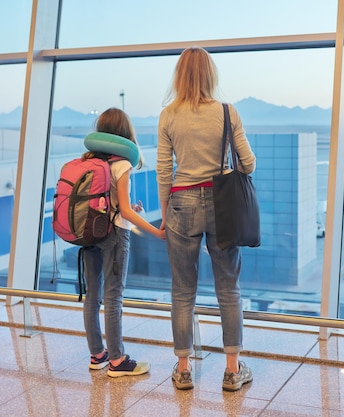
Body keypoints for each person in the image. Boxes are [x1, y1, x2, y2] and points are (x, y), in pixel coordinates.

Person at [157, 47, 256, 391]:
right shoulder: (227, 112)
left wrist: (166, 213)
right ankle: (232, 371)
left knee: (183, 290)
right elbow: (249, 163)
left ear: (179, 76)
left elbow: (163, 170)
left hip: (180, 204)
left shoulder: (168, 115)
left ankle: (183, 369)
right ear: (211, 75)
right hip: (220, 203)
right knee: (228, 288)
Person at [83, 107, 166, 378]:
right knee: (114, 296)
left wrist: (129, 208)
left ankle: (98, 356)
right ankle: (118, 361)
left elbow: (109, 202)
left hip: (89, 233)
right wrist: (156, 232)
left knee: (93, 296)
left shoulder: (89, 161)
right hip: (115, 235)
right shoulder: (122, 165)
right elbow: (125, 213)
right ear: (125, 133)